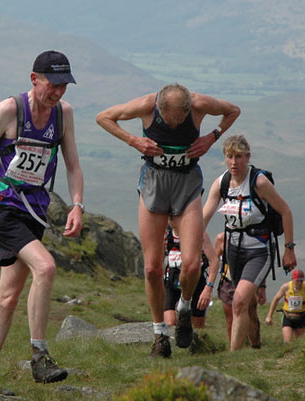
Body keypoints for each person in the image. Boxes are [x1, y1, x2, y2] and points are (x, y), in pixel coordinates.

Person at [0, 50, 83, 386]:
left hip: (34, 210)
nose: (57, 92)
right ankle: (40, 357)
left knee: (8, 297)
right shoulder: (10, 110)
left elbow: (72, 165)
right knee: (46, 267)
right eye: (52, 84)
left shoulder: (63, 115)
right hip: (0, 204)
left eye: (63, 86)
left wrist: (77, 205)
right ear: (34, 79)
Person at [96, 83, 240, 357]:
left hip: (186, 183)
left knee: (191, 263)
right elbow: (103, 117)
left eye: (179, 119)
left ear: (188, 109)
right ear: (159, 108)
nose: (174, 125)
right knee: (151, 268)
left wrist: (212, 136)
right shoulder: (145, 104)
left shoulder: (199, 105)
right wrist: (134, 140)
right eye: (169, 119)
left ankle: (184, 307)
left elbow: (233, 110)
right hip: (154, 183)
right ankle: (160, 334)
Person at [203, 135, 296, 351]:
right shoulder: (221, 183)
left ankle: (233, 356)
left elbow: (285, 211)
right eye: (229, 157)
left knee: (238, 301)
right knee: (248, 304)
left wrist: (289, 249)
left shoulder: (259, 182)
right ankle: (255, 347)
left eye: (239, 157)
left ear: (248, 157)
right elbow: (203, 218)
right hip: (233, 251)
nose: (234, 162)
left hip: (258, 251)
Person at [163, 217, 219, 330]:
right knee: (170, 322)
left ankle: (197, 344)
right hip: (172, 282)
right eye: (170, 218)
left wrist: (208, 288)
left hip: (197, 283)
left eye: (175, 217)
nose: (172, 221)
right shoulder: (165, 235)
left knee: (197, 326)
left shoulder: (200, 235)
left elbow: (214, 261)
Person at [214, 232, 264, 349]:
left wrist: (262, 286)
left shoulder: (250, 237)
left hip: (247, 280)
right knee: (230, 318)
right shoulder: (221, 239)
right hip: (228, 282)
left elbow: (260, 261)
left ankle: (256, 345)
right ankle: (234, 350)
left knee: (251, 313)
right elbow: (214, 261)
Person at [265, 269, 305, 342]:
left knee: (300, 342)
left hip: (301, 318)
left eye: (301, 281)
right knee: (287, 342)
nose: (299, 283)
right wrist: (269, 316)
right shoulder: (286, 287)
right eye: (297, 281)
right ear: (292, 279)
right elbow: (276, 299)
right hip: (287, 317)